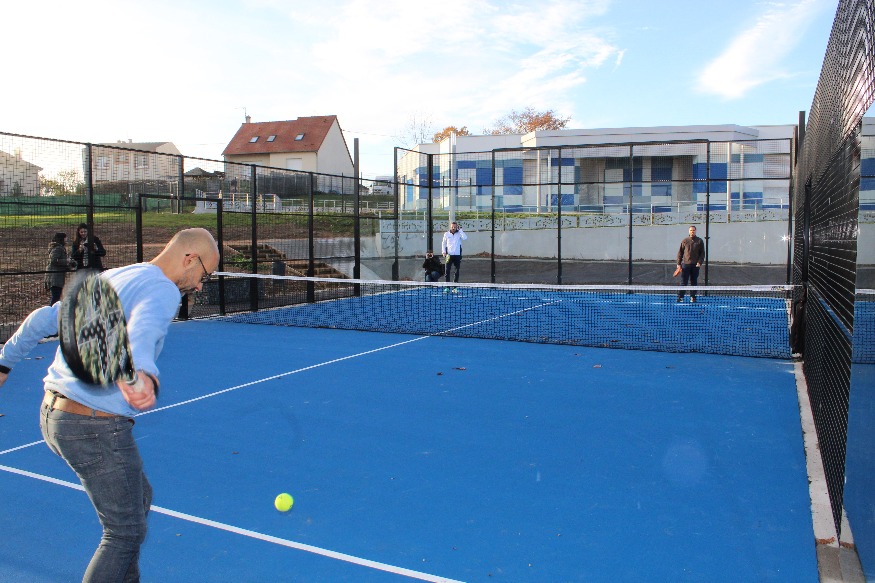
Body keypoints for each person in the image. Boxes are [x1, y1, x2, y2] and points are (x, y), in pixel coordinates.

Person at [0, 228, 219, 583]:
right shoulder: (163, 289)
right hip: (92, 426)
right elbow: (143, 329)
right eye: (203, 276)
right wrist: (141, 372)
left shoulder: (116, 276)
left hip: (54, 415)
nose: (198, 286)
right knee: (124, 532)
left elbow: (45, 318)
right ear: (189, 258)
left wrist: (4, 363)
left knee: (139, 499)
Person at [44, 232, 77, 305]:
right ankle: (52, 310)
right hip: (55, 277)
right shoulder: (58, 248)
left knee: (57, 297)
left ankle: (54, 310)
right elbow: (54, 260)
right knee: (56, 297)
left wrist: (69, 264)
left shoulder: (59, 248)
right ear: (62, 239)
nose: (66, 240)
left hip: (56, 277)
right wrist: (67, 261)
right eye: (65, 238)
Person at [676, 225, 705, 303]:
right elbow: (680, 253)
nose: (692, 232)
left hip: (695, 265)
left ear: (695, 231)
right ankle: (680, 297)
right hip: (685, 265)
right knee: (683, 282)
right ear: (689, 231)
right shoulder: (685, 241)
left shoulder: (699, 241)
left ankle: (693, 297)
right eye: (691, 230)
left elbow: (702, 254)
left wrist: (699, 262)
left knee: (694, 282)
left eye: (693, 230)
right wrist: (678, 263)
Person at [441, 221, 467, 288]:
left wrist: (460, 230)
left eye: (455, 227)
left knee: (456, 271)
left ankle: (455, 287)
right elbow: (443, 243)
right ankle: (447, 287)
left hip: (457, 255)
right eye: (452, 227)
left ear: (457, 227)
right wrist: (444, 252)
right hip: (449, 255)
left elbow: (465, 238)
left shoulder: (459, 234)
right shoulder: (446, 234)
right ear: (450, 227)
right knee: (447, 271)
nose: (453, 228)